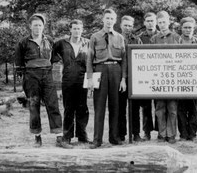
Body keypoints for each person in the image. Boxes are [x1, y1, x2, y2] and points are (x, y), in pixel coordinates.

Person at [14, 13, 63, 147]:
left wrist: (48, 72)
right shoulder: (23, 42)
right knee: (34, 106)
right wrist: (27, 77)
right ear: (30, 26)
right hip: (31, 77)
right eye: (35, 25)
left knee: (53, 105)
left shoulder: (50, 41)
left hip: (47, 76)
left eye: (40, 25)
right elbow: (19, 64)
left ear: (43, 27)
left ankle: (59, 137)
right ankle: (37, 137)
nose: (38, 28)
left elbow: (54, 60)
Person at [86, 9, 127, 148]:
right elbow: (89, 59)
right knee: (99, 107)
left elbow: (124, 60)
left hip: (116, 70)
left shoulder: (120, 37)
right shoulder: (95, 37)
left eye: (112, 18)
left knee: (115, 106)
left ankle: (114, 138)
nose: (109, 21)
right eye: (107, 18)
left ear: (115, 21)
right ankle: (97, 140)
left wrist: (123, 79)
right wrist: (90, 78)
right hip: (100, 70)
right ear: (102, 20)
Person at [52, 19, 90, 148]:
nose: (77, 31)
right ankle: (66, 137)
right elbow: (53, 58)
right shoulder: (62, 44)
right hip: (67, 80)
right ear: (70, 30)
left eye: (79, 28)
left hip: (83, 80)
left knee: (82, 109)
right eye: (74, 28)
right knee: (68, 108)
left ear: (82, 29)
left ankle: (82, 136)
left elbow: (92, 61)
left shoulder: (88, 43)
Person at [150, 10, 181, 144]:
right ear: (157, 23)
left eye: (164, 22)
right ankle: (162, 134)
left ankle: (172, 134)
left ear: (169, 22)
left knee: (172, 108)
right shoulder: (154, 39)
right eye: (160, 22)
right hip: (159, 77)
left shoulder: (176, 37)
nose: (162, 25)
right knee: (160, 108)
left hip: (173, 77)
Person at [118, 15, 143, 142]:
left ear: (132, 27)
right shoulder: (115, 38)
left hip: (134, 79)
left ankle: (136, 133)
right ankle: (121, 134)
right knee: (120, 107)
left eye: (130, 26)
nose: (127, 28)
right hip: (120, 78)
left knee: (135, 108)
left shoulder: (137, 40)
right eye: (125, 25)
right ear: (121, 25)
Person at [177, 17, 197, 141]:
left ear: (193, 28)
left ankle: (193, 133)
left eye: (190, 27)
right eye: (185, 27)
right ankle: (183, 133)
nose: (187, 29)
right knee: (181, 109)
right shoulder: (176, 42)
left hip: (194, 79)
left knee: (193, 109)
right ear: (181, 28)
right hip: (179, 79)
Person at [137, 12, 157, 141]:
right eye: (148, 21)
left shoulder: (162, 35)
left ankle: (162, 132)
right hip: (145, 74)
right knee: (146, 106)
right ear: (144, 23)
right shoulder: (139, 38)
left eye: (152, 20)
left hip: (160, 74)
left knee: (160, 105)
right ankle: (147, 132)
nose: (150, 23)